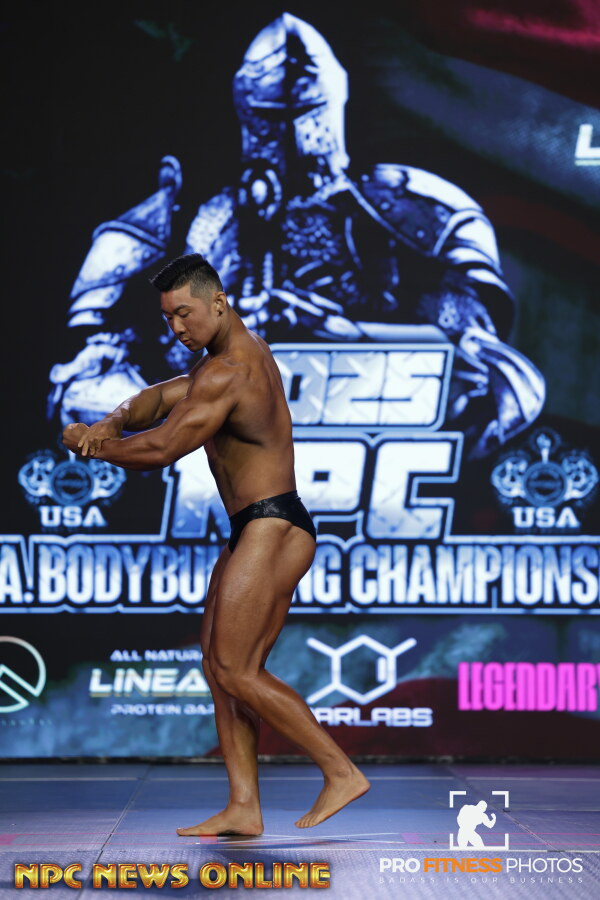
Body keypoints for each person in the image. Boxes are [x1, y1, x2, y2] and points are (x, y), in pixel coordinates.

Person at [62, 253, 370, 835]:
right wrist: (114, 418)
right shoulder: (219, 362)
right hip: (254, 526)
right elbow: (161, 397)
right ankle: (244, 806)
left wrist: (90, 444)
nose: (176, 327)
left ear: (219, 302)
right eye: (168, 317)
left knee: (235, 667)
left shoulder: (231, 370)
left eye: (185, 313)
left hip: (272, 525)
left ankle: (340, 771)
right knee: (219, 666)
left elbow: (162, 449)